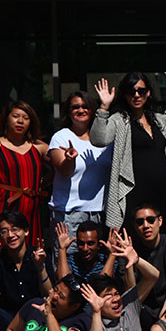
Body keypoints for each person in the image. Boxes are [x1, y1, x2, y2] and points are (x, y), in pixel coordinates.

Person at [93, 62, 166, 233]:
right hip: (135, 190)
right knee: (136, 234)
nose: (136, 95)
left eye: (141, 91)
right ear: (125, 95)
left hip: (162, 191)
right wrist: (104, 107)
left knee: (162, 235)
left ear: (148, 93)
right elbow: (99, 139)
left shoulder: (157, 120)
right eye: (131, 91)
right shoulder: (119, 119)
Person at [0, 101, 50, 260]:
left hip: (31, 208)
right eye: (16, 116)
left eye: (25, 118)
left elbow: (61, 166)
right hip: (3, 205)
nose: (20, 121)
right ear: (7, 118)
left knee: (32, 254)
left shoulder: (39, 147)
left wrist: (46, 181)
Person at [48, 89, 114, 247]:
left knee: (98, 260)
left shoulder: (106, 139)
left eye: (85, 106)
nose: (81, 110)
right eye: (75, 107)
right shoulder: (61, 137)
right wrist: (69, 159)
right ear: (68, 112)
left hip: (99, 213)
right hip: (69, 214)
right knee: (67, 258)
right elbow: (65, 171)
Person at [0, 210, 51, 331]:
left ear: (26, 231)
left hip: (35, 321)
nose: (10, 235)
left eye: (15, 229)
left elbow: (49, 295)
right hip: (7, 322)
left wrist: (40, 268)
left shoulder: (38, 256)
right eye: (4, 231)